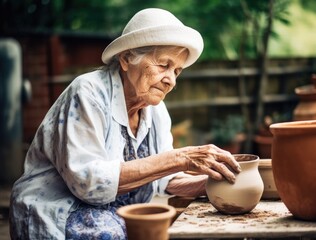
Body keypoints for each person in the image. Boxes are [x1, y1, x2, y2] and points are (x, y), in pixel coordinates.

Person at [9, 8, 241, 239]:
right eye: (163, 65)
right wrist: (180, 158)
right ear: (127, 59)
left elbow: (164, 180)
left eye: (177, 70)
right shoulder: (88, 93)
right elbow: (88, 183)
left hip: (114, 214)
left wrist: (217, 182)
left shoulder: (156, 110)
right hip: (58, 210)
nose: (171, 80)